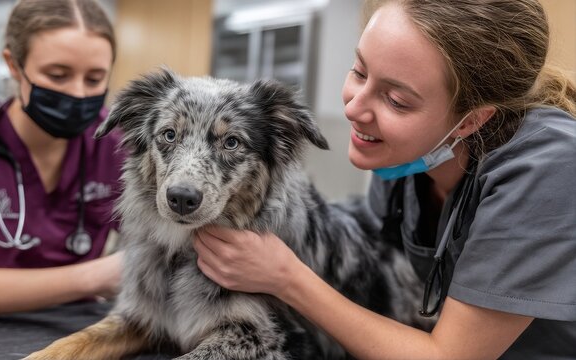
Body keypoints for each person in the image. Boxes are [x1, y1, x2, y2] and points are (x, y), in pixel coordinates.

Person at [193, 0, 576, 359]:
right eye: (359, 71)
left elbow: (447, 355)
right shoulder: (408, 156)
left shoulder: (547, 168)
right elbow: (367, 235)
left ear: (473, 119)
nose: (354, 107)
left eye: (396, 101)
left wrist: (287, 278)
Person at [0, 0, 124, 316]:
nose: (78, 94)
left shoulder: (115, 143)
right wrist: (97, 277)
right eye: (58, 75)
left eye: (94, 79)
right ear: (13, 65)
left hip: (76, 329)